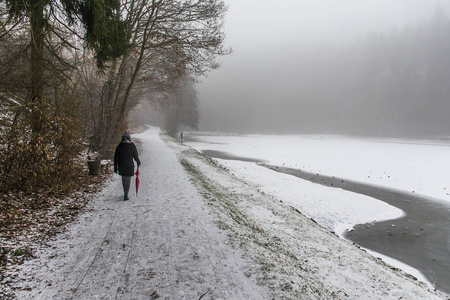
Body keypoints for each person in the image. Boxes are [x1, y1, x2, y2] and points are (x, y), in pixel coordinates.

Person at [114, 133, 141, 200]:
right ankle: (126, 193)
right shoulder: (132, 145)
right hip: (129, 165)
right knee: (128, 180)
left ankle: (125, 192)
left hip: (122, 165)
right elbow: (135, 156)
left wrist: (115, 167)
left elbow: (116, 158)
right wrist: (138, 162)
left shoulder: (119, 146)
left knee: (124, 180)